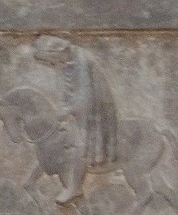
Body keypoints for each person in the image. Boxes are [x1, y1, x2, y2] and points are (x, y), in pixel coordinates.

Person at [32, 35, 118, 204]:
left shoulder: (83, 61)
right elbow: (64, 89)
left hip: (95, 109)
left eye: (52, 61)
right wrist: (62, 108)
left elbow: (85, 96)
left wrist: (68, 110)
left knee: (80, 143)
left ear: (58, 53)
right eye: (50, 63)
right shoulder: (64, 61)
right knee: (61, 136)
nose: (53, 65)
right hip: (77, 108)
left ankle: (74, 187)